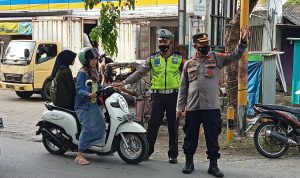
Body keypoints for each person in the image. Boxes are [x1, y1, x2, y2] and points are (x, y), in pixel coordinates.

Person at [176, 25, 251, 177]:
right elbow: (183, 87)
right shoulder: (188, 64)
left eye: (206, 43)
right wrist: (180, 107)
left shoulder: (216, 57)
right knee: (190, 136)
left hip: (211, 107)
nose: (206, 46)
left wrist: (242, 42)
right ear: (195, 45)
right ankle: (189, 162)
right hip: (192, 107)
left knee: (212, 138)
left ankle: (213, 166)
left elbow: (234, 56)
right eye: (202, 44)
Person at [112, 29, 184, 164]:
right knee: (153, 125)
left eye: (165, 41)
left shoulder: (179, 59)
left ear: (170, 42)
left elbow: (188, 76)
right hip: (157, 97)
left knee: (173, 126)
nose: (162, 43)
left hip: (174, 96)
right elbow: (139, 73)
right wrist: (124, 82)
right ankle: (147, 151)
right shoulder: (153, 58)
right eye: (160, 41)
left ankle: (173, 154)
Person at [74, 47, 106, 165]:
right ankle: (79, 155)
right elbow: (79, 90)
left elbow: (97, 86)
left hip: (92, 104)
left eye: (95, 59)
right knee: (87, 128)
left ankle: (93, 146)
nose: (94, 61)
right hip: (82, 106)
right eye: (91, 59)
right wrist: (89, 94)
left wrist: (110, 88)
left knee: (102, 125)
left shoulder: (94, 71)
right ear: (85, 60)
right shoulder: (82, 73)